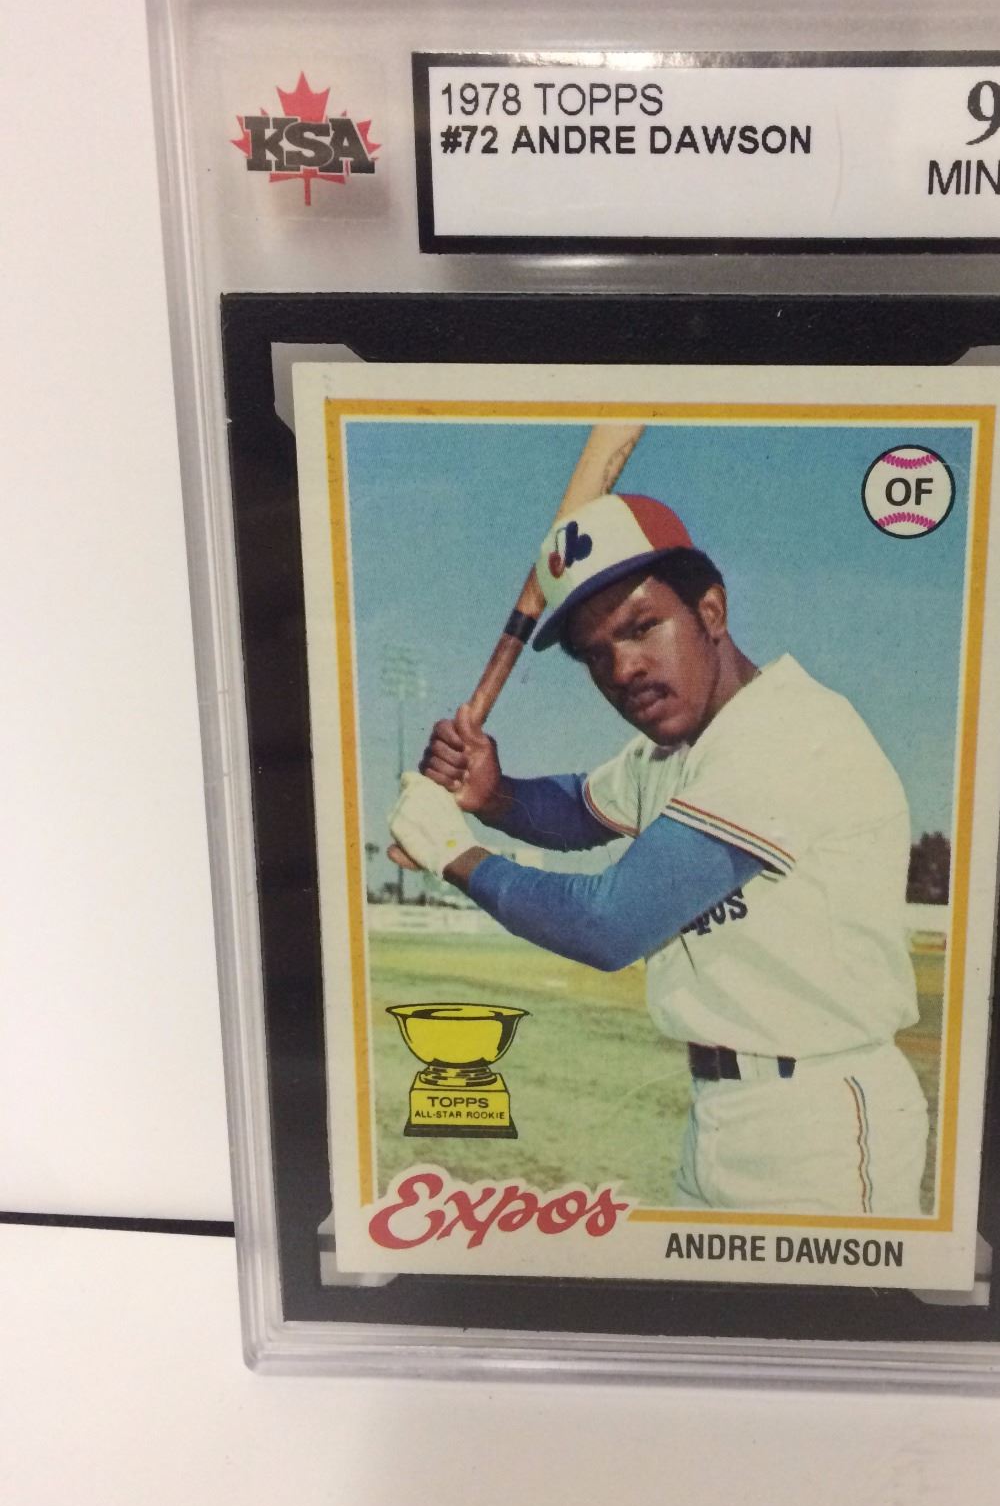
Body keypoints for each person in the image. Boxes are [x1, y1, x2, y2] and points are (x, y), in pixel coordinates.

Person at [389, 492, 929, 1216]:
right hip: (721, 1115)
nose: (623, 669)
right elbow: (579, 809)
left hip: (822, 1120)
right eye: (597, 654)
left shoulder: (786, 732)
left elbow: (608, 924)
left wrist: (452, 851)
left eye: (642, 627)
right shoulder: (675, 751)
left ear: (711, 611)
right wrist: (495, 794)